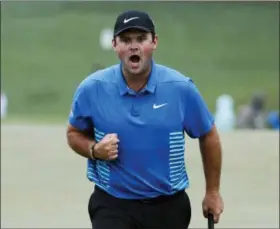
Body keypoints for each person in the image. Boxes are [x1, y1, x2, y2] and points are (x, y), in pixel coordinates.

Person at [66, 10, 224, 229]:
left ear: (154, 42)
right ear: (114, 45)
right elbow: (73, 133)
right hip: (112, 203)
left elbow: (208, 134)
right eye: (126, 40)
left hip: (168, 205)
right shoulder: (92, 88)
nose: (134, 46)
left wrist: (213, 192)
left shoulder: (180, 88)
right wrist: (94, 150)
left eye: (141, 39)